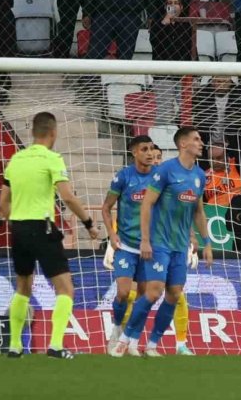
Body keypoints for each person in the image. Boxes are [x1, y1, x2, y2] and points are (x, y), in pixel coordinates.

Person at [0, 111, 99, 359]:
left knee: (23, 287)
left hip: (18, 227)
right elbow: (67, 196)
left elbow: (3, 201)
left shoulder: (15, 159)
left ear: (33, 132)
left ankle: (14, 346)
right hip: (41, 228)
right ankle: (55, 346)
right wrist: (88, 223)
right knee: (65, 288)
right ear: (53, 133)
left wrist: (17, 220)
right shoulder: (52, 158)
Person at [112, 127, 213, 357]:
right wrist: (145, 240)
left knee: (174, 294)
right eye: (197, 139)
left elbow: (198, 211)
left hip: (179, 246)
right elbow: (147, 203)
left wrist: (206, 242)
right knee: (153, 291)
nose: (201, 143)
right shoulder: (166, 170)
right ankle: (125, 338)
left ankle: (153, 344)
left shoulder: (199, 175)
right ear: (183, 144)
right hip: (159, 243)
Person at [101, 135, 154, 351]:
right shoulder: (123, 177)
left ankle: (132, 340)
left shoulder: (159, 178)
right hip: (125, 245)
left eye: (151, 149)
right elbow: (106, 208)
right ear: (134, 153)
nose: (149, 153)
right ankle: (116, 329)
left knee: (143, 296)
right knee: (123, 292)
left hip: (149, 246)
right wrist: (111, 236)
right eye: (144, 149)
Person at [150, 0, 194, 123]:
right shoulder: (158, 24)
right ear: (165, 7)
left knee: (185, 115)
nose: (173, 6)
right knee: (163, 115)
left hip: (182, 77)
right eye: (170, 3)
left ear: (181, 7)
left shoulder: (187, 26)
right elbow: (156, 43)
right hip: (163, 76)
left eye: (176, 3)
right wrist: (165, 22)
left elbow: (189, 51)